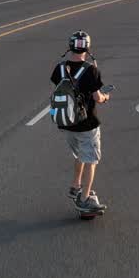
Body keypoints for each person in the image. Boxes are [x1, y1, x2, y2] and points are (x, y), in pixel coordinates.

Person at [51, 31, 111, 214]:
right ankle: (84, 200)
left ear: (70, 47)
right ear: (87, 48)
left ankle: (75, 185)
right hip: (87, 124)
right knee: (91, 159)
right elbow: (97, 97)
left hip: (66, 124)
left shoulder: (59, 68)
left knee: (80, 155)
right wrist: (106, 97)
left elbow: (61, 89)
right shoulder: (91, 70)